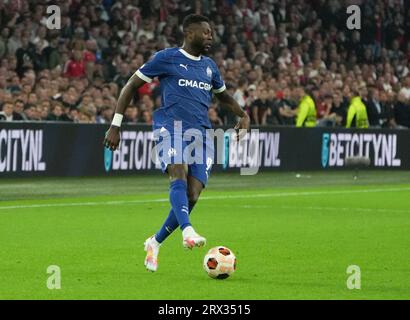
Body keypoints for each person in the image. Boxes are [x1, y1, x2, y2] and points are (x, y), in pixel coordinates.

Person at [103, 14, 250, 272]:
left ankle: (155, 241)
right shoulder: (166, 58)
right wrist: (116, 124)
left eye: (212, 33)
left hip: (202, 134)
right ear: (189, 33)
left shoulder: (209, 67)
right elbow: (130, 86)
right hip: (170, 127)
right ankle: (187, 231)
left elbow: (224, 97)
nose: (210, 37)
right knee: (177, 173)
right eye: (205, 32)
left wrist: (243, 115)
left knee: (192, 194)